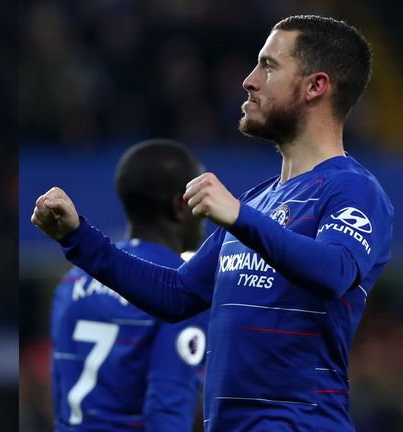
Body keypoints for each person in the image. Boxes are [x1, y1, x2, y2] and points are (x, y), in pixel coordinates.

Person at [32, 15, 392, 431]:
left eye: (269, 66)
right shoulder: (260, 199)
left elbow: (336, 270)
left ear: (316, 86)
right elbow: (177, 293)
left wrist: (240, 217)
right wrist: (78, 237)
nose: (249, 80)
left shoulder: (352, 190)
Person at [50, 140, 209, 431]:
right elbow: (167, 409)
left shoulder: (71, 281)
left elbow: (60, 391)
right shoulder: (181, 286)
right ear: (180, 207)